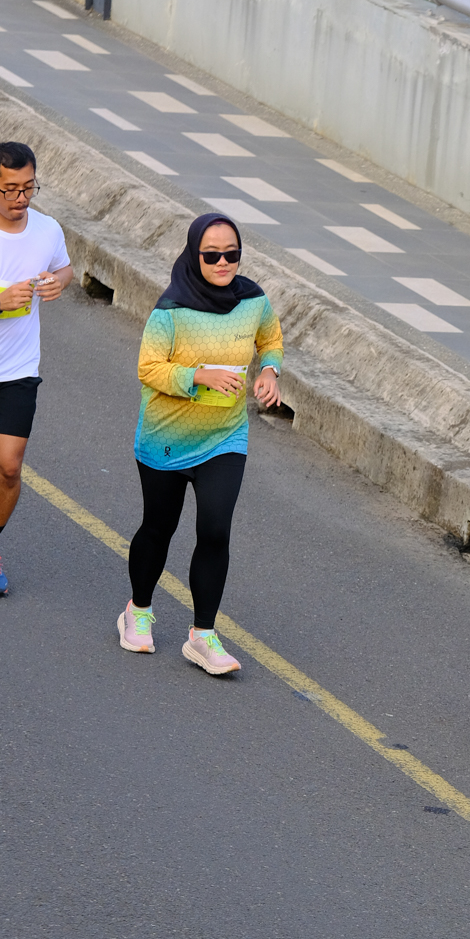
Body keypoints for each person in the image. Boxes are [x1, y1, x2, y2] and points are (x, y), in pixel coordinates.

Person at [117, 212, 283, 674]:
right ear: (194, 255)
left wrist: (271, 372)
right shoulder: (170, 310)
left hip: (224, 437)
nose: (223, 262)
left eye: (232, 254)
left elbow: (270, 339)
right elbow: (148, 368)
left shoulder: (252, 300)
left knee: (215, 529)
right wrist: (198, 376)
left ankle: (203, 635)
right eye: (212, 256)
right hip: (166, 438)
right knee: (159, 528)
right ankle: (138, 610)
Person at [0, 142, 72, 595]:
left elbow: (64, 269)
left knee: (9, 468)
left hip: (17, 371)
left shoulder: (48, 230)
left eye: (29, 187)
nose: (21, 198)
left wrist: (56, 282)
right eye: (10, 189)